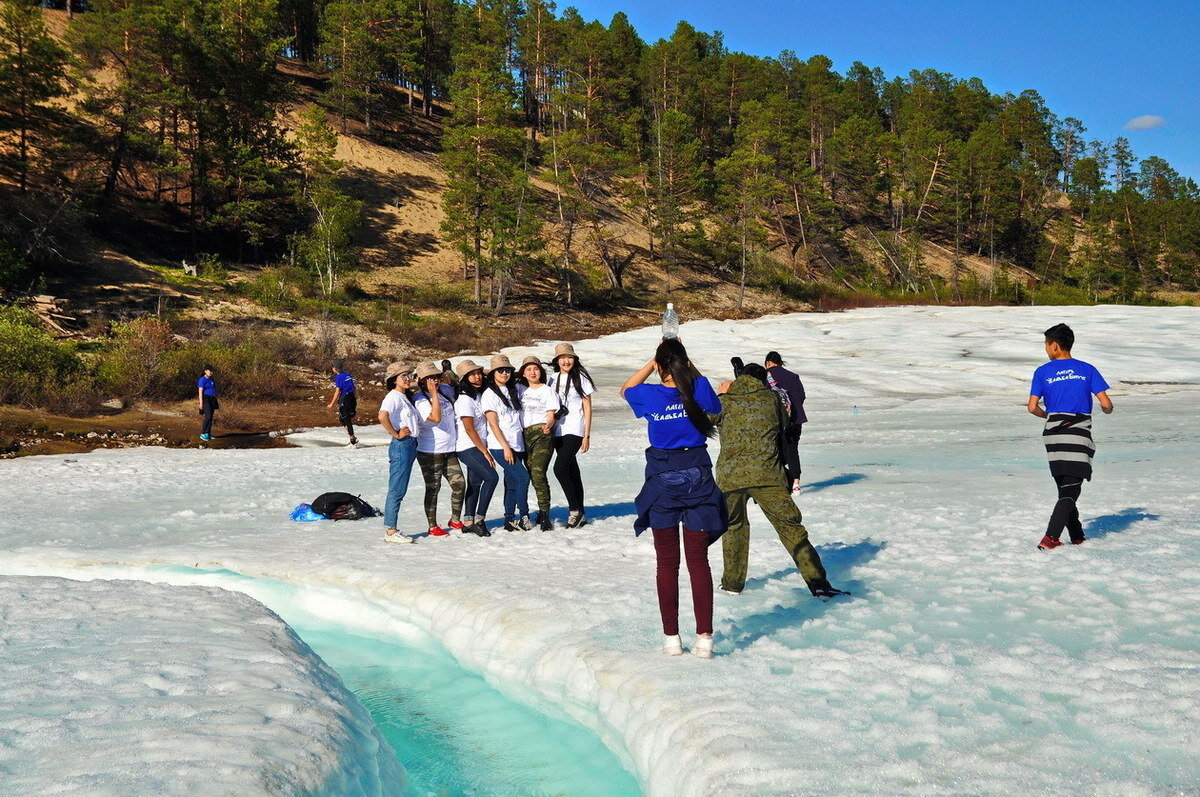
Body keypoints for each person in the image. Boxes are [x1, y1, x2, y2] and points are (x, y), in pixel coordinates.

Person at [622, 338, 725, 659]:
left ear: (660, 365)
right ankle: (704, 639)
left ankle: (671, 639)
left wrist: (652, 364)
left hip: (662, 482)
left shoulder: (650, 393)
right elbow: (716, 407)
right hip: (699, 478)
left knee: (667, 564)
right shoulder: (699, 388)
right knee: (698, 563)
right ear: (685, 363)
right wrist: (687, 365)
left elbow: (625, 389)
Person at [713, 364, 847, 599]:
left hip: (731, 477)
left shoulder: (724, 401)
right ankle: (818, 584)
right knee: (791, 529)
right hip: (768, 476)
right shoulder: (772, 398)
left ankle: (732, 584)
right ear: (763, 380)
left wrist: (721, 395)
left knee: (733, 527)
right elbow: (785, 424)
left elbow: (705, 420)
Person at [1027, 323, 1114, 550]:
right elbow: (1106, 403)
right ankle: (1051, 537)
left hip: (1053, 433)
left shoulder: (1042, 372)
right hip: (1077, 431)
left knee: (1064, 486)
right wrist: (1106, 409)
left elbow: (1032, 407)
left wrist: (1049, 415)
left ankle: (1076, 535)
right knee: (1071, 488)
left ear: (1055, 346)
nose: (1046, 349)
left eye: (1046, 344)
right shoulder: (1087, 369)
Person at [411, 360, 466, 537]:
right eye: (429, 378)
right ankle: (432, 525)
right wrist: (433, 393)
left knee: (459, 484)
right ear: (421, 381)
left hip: (449, 449)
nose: (434, 381)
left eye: (436, 377)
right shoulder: (420, 400)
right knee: (433, 488)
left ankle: (455, 520)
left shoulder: (446, 391)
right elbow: (435, 418)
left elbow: (461, 391)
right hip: (430, 452)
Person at [481, 354, 532, 531]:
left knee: (511, 482)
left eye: (507, 370)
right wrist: (505, 448)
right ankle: (524, 515)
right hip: (500, 446)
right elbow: (493, 425)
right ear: (493, 373)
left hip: (517, 443)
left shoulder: (514, 389)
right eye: (500, 370)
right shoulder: (489, 395)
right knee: (523, 477)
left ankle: (509, 519)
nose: (504, 373)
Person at [549, 343, 595, 528]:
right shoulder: (552, 379)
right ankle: (581, 514)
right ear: (557, 361)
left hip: (575, 429)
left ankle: (574, 509)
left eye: (570, 357)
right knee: (572, 470)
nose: (566, 361)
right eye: (562, 358)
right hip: (557, 430)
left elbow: (588, 407)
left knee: (559, 468)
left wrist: (587, 435)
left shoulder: (581, 378)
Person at [454, 359, 499, 537]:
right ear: (465, 378)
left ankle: (468, 521)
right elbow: (469, 429)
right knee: (491, 478)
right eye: (472, 374)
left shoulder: (477, 394)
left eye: (479, 372)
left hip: (477, 445)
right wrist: (484, 451)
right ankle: (480, 520)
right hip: (468, 446)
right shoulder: (465, 399)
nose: (478, 376)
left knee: (475, 482)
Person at [378, 363, 421, 543]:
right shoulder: (393, 397)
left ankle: (391, 528)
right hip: (402, 445)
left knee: (400, 487)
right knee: (397, 487)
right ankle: (390, 530)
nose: (407, 378)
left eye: (409, 375)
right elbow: (382, 416)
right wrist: (396, 433)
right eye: (403, 376)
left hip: (411, 444)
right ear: (394, 379)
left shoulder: (405, 396)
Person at [517, 355, 561, 531]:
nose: (533, 372)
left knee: (538, 473)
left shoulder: (547, 390)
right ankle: (529, 513)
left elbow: (552, 414)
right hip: (524, 436)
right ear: (524, 373)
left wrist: (548, 426)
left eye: (535, 368)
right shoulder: (520, 389)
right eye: (528, 369)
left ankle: (544, 515)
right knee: (529, 475)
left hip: (542, 434)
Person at [764, 351, 807, 492]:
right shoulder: (793, 376)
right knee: (792, 448)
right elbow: (801, 396)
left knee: (776, 450)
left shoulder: (766, 377)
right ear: (780, 362)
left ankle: (781, 480)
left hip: (777, 421)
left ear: (768, 363)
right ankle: (796, 483)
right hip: (796, 419)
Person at [327, 359, 359, 448]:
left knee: (346, 419)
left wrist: (332, 403)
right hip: (352, 397)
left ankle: (352, 441)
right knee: (342, 419)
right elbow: (354, 388)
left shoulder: (339, 377)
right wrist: (355, 398)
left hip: (345, 398)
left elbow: (337, 391)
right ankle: (352, 437)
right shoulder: (348, 375)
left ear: (335, 368)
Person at [197, 365, 218, 442]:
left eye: (212, 371)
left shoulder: (212, 380)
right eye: (210, 371)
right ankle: (203, 433)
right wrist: (201, 403)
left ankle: (208, 433)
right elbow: (200, 391)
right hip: (206, 398)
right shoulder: (202, 379)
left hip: (212, 398)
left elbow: (213, 389)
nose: (211, 372)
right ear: (205, 371)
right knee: (208, 416)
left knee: (211, 417)